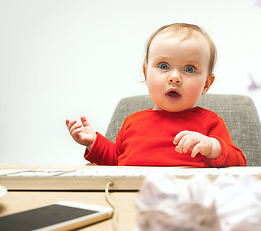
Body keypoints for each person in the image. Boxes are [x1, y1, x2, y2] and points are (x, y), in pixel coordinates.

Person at [66, 23, 246, 167]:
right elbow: (116, 159)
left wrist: (212, 147)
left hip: (185, 199)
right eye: (163, 66)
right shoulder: (132, 121)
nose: (175, 77)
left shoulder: (210, 122)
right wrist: (93, 142)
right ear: (146, 74)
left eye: (189, 69)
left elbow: (239, 161)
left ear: (206, 84)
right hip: (133, 196)